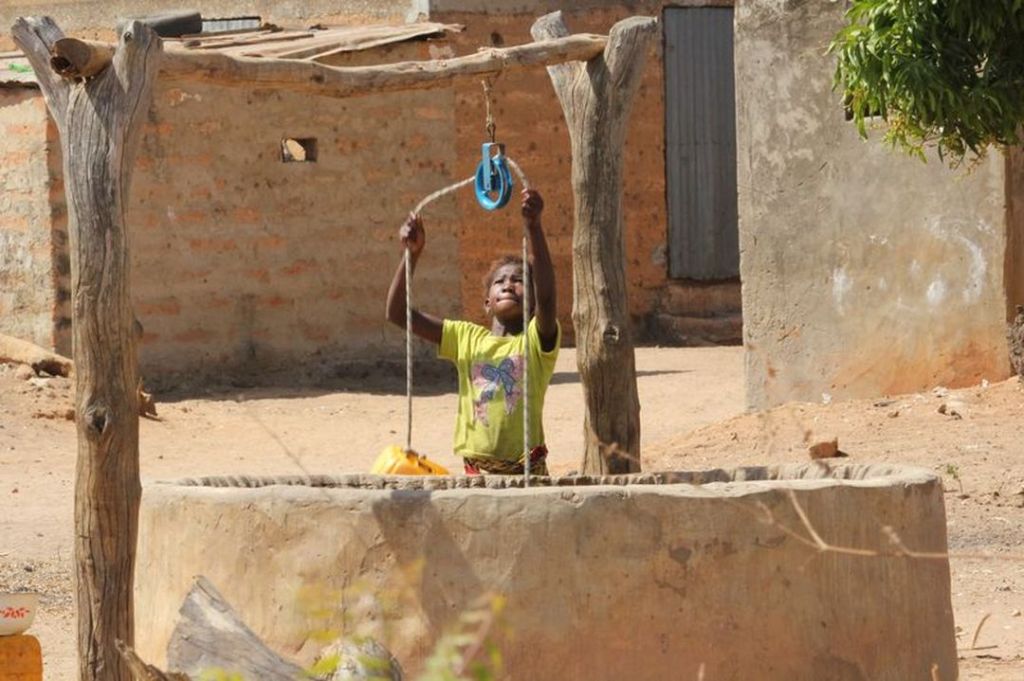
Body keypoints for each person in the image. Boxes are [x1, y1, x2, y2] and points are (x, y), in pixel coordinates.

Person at [385, 189, 559, 475]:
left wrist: (534, 227)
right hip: (476, 475)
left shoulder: (536, 341)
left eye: (519, 281)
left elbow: (549, 298)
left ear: (533, 302)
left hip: (526, 473)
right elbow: (397, 314)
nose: (508, 285)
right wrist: (412, 255)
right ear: (487, 303)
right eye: (500, 281)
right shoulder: (466, 338)